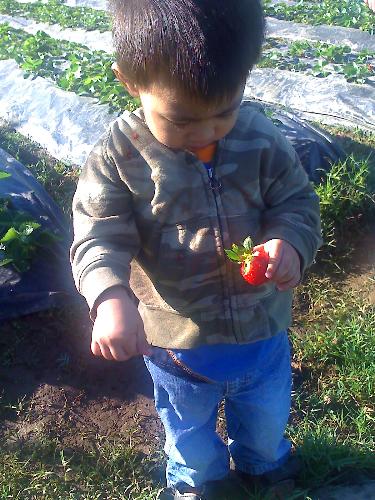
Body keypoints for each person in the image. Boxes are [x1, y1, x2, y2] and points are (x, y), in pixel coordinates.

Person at [70, 0, 322, 498]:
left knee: (267, 416)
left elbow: (295, 200)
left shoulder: (259, 136)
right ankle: (198, 482)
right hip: (176, 345)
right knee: (188, 429)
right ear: (130, 81)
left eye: (224, 112)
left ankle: (264, 465)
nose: (206, 132)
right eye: (182, 121)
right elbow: (98, 232)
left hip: (263, 331)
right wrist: (109, 297)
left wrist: (289, 242)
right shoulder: (119, 156)